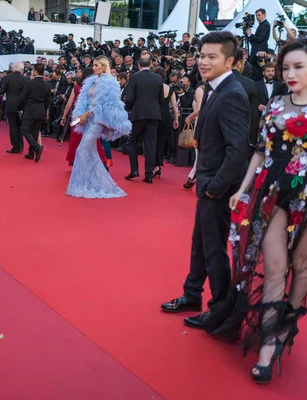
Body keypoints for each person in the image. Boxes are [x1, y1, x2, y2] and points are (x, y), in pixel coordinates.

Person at [212, 39, 307, 384]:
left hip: (306, 195)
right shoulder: (275, 105)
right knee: (275, 266)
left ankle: (285, 329)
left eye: (298, 66)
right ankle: (266, 345)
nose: (290, 73)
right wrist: (242, 188)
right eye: (286, 67)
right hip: (272, 190)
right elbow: (258, 152)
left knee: (302, 266)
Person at [160, 31, 250, 332]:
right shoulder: (213, 89)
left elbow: (239, 150)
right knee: (200, 245)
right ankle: (192, 294)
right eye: (201, 56)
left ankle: (221, 309)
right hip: (208, 184)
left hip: (217, 188)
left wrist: (214, 187)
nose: (203, 61)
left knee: (213, 250)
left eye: (212, 57)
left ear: (230, 61)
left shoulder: (232, 93)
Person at [66, 56, 131, 198]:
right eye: (93, 65)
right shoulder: (92, 81)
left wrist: (86, 114)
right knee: (90, 152)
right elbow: (85, 100)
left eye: (96, 65)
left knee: (82, 150)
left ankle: (84, 185)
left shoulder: (110, 83)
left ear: (103, 66)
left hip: (97, 120)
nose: (93, 67)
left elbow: (104, 106)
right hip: (88, 118)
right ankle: (91, 184)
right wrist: (80, 115)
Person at [124, 55, 163, 184]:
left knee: (132, 142)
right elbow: (161, 98)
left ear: (139, 65)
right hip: (154, 115)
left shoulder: (134, 77)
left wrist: (129, 109)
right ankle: (149, 175)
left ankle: (134, 170)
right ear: (150, 65)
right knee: (150, 145)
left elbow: (129, 97)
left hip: (138, 115)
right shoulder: (158, 78)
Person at [62, 68, 109, 168]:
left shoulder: (77, 87)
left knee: (75, 139)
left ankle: (76, 161)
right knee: (92, 139)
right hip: (91, 116)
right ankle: (98, 161)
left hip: (78, 117)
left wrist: (63, 117)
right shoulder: (94, 88)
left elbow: (69, 104)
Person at [18, 63, 51, 163]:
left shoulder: (29, 83)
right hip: (41, 110)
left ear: (35, 71)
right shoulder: (47, 85)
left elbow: (23, 98)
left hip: (30, 109)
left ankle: (36, 147)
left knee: (24, 129)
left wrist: (20, 108)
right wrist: (44, 110)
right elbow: (47, 101)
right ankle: (31, 153)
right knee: (35, 131)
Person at [0, 61, 26, 154]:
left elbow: (2, 90)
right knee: (20, 126)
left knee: (13, 126)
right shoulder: (25, 79)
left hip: (11, 104)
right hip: (21, 105)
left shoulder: (8, 78)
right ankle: (21, 146)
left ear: (12, 69)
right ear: (21, 69)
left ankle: (15, 146)